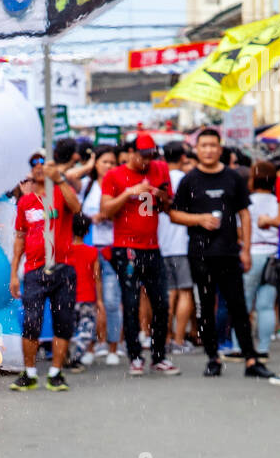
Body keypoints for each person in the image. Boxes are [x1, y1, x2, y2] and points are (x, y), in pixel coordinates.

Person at [169, 128, 271, 379]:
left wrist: (246, 249)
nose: (208, 150)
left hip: (229, 252)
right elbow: (174, 214)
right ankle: (212, 357)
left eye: (213, 146)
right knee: (205, 307)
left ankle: (250, 359)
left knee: (239, 306)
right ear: (196, 149)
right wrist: (198, 219)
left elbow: (245, 214)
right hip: (200, 254)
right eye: (203, 146)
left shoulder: (233, 178)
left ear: (220, 147)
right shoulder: (189, 180)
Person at [99, 129, 179, 376]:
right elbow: (106, 210)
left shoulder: (159, 169)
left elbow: (168, 205)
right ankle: (135, 355)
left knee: (161, 303)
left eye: (150, 156)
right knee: (130, 302)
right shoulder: (115, 175)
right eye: (142, 156)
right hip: (126, 247)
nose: (146, 161)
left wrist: (160, 195)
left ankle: (159, 355)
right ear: (131, 153)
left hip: (153, 247)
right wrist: (128, 193)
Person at [9, 154, 81, 393]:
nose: (39, 169)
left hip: (63, 268)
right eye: (35, 166)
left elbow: (76, 208)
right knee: (31, 322)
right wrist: (13, 273)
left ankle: (55, 373)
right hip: (34, 270)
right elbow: (19, 237)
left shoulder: (61, 192)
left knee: (63, 323)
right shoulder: (25, 202)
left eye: (44, 165)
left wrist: (59, 180)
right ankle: (29, 373)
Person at [223, 160, 278, 361]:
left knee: (243, 303)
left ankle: (240, 347)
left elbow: (238, 230)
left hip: (251, 254)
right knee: (266, 305)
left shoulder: (247, 202)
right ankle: (263, 349)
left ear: (253, 180)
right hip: (274, 256)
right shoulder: (277, 202)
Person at [80, 147, 123, 363]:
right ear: (96, 164)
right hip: (88, 250)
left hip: (110, 250)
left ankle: (113, 347)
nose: (109, 166)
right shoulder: (86, 187)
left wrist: (107, 214)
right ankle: (90, 346)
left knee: (112, 301)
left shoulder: (119, 187)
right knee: (90, 301)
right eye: (105, 161)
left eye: (112, 162)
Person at [158, 142, 196, 355]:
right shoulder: (186, 180)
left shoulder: (160, 181)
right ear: (183, 157)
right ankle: (179, 340)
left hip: (161, 243)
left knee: (168, 292)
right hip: (182, 243)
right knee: (185, 292)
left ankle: (166, 338)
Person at [66, 213, 104, 368]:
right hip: (87, 297)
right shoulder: (92, 252)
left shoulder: (66, 251)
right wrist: (100, 300)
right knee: (86, 329)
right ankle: (75, 355)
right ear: (87, 231)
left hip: (69, 297)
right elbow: (97, 278)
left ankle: (67, 354)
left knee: (67, 328)